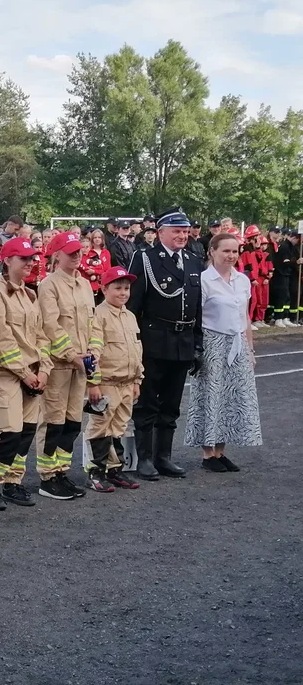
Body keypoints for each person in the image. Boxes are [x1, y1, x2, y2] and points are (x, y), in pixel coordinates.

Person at [127, 207, 203, 481]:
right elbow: (133, 305)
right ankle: (145, 458)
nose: (182, 235)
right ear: (160, 233)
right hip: (154, 339)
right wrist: (133, 343)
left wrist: (197, 343)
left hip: (183, 341)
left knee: (171, 404)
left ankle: (164, 457)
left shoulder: (194, 261)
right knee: (148, 402)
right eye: (176, 231)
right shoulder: (145, 258)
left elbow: (197, 306)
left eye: (185, 231)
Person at [0, 237, 52, 510]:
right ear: (8, 261)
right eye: (24, 259)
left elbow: (41, 336)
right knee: (10, 431)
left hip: (33, 373)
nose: (31, 264)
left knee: (27, 432)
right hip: (9, 374)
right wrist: (25, 373)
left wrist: (44, 369)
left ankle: (13, 481)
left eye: (32, 259)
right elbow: (3, 340)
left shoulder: (29, 293)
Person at [184, 233, 262, 471]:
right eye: (226, 251)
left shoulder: (242, 280)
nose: (231, 256)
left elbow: (245, 317)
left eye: (235, 251)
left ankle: (221, 451)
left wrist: (250, 349)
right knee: (211, 397)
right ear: (212, 252)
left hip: (237, 344)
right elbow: (196, 318)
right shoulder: (203, 280)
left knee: (231, 400)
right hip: (212, 343)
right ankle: (208, 454)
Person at [34, 231, 95, 500]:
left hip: (80, 363)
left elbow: (92, 322)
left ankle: (62, 470)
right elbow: (51, 324)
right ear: (56, 255)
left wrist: (93, 350)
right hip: (61, 363)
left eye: (78, 251)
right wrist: (71, 354)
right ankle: (47, 476)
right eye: (70, 252)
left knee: (73, 421)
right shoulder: (49, 285)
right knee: (53, 421)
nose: (77, 255)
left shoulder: (83, 285)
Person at [85, 266, 144, 492]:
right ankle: (95, 471)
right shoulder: (98, 316)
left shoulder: (129, 316)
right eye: (117, 288)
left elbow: (137, 349)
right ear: (104, 288)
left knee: (118, 427)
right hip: (107, 383)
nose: (123, 293)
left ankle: (114, 470)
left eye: (127, 288)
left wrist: (138, 379)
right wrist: (94, 383)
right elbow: (93, 352)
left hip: (127, 382)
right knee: (100, 426)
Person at [80, 229, 111, 303]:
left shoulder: (106, 252)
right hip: (91, 284)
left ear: (102, 239)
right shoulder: (88, 252)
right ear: (92, 239)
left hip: (104, 283)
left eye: (99, 237)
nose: (97, 239)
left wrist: (95, 271)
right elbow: (86, 267)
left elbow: (108, 269)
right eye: (95, 237)